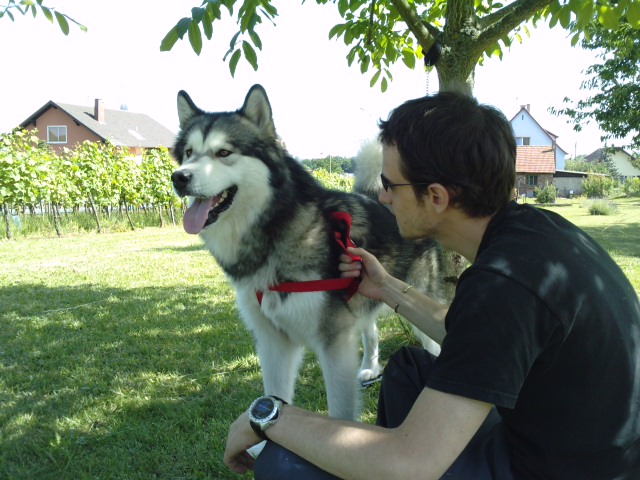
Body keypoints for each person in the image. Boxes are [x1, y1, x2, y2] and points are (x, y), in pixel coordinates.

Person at [224, 91, 640, 479]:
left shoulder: (504, 286)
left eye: (390, 185)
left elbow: (411, 463)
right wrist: (387, 287)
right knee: (408, 370)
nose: (381, 199)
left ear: (436, 197)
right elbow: (476, 337)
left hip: (561, 469)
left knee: (284, 460)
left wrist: (271, 415)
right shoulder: (533, 236)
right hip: (565, 434)